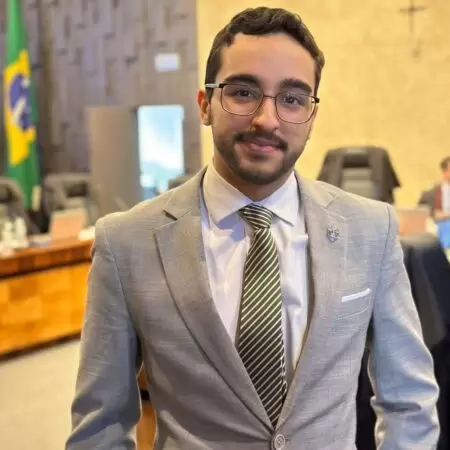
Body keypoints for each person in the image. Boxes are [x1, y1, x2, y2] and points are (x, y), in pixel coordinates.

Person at [66, 7, 439, 450]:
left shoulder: (371, 230)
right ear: (205, 105)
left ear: (311, 116)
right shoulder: (127, 242)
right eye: (243, 92)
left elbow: (408, 399)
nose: (267, 119)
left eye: (292, 98)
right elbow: (100, 426)